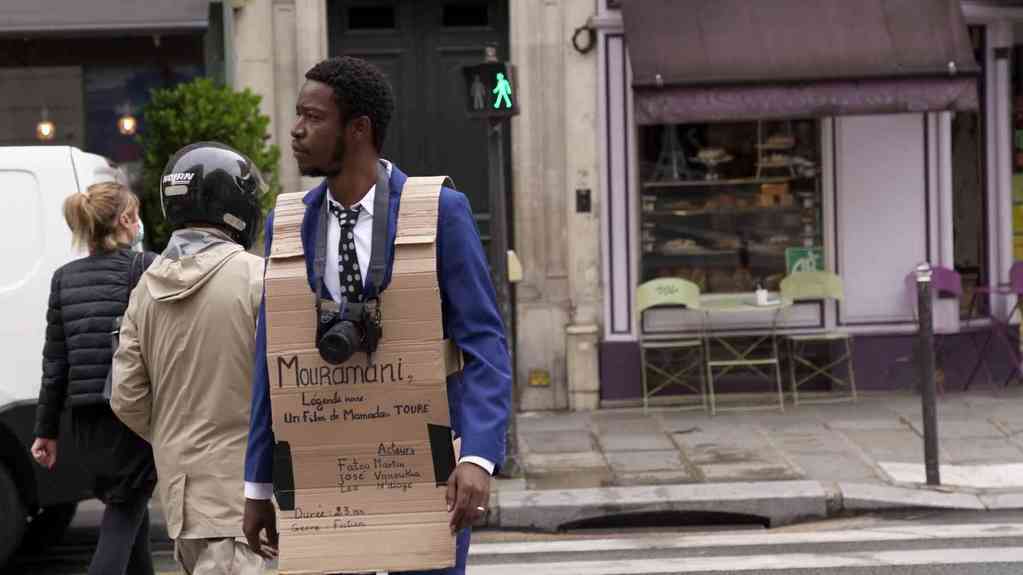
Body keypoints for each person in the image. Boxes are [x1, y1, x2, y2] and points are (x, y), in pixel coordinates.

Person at [243, 56, 512, 574]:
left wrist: (478, 457)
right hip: (325, 462)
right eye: (298, 115)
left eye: (313, 117)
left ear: (358, 129)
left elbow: (484, 341)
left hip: (428, 460)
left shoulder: (439, 212)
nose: (295, 130)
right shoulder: (288, 223)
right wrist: (258, 484)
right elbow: (270, 360)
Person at [110, 142, 267, 575]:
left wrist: (175, 434)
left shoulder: (145, 289)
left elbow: (126, 397)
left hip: (182, 504)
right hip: (244, 503)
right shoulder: (257, 278)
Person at [31, 180, 157, 575]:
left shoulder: (63, 278)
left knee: (129, 509)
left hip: (85, 424)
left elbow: (55, 363)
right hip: (132, 418)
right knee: (124, 511)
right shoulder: (145, 267)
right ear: (126, 220)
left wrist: (46, 431)